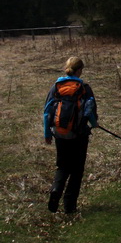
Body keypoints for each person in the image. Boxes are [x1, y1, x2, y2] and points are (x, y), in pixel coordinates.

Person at [43, 56, 98, 214]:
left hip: (60, 134)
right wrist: (94, 124)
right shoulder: (84, 87)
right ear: (79, 70)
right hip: (79, 135)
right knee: (77, 170)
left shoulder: (56, 86)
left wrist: (47, 132)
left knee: (62, 166)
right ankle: (69, 205)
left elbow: (47, 111)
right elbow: (89, 111)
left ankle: (56, 190)